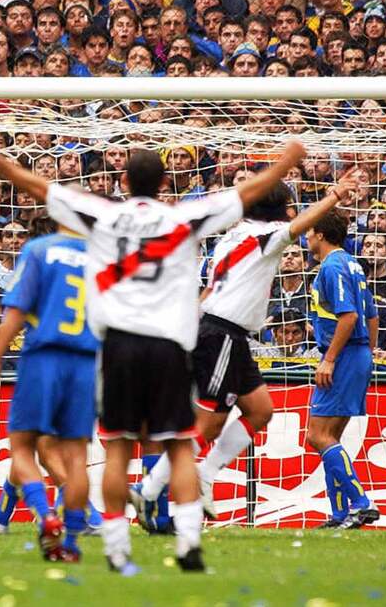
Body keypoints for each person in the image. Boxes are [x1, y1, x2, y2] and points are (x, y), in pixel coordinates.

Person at [0, 139, 306, 574]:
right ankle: (188, 542)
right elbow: (246, 193)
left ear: (124, 181)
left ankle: (115, 548)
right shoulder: (183, 217)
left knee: (117, 450)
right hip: (170, 344)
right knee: (180, 447)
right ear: (165, 182)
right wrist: (286, 161)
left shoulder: (104, 215)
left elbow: (37, 186)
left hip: (118, 346)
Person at [130, 171, 358, 527]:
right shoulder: (264, 236)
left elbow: (212, 285)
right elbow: (299, 226)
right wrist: (334, 195)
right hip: (221, 333)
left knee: (261, 410)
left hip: (228, 335)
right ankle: (149, 489)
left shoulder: (233, 235)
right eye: (287, 206)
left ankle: (204, 476)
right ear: (280, 210)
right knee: (207, 425)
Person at [0, 215, 102, 562]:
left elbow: (16, 310)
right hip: (86, 360)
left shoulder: (40, 251)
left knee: (25, 446)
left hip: (44, 356)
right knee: (75, 456)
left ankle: (48, 517)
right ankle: (67, 539)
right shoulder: (102, 255)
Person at [304, 208, 381, 529]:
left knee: (316, 435)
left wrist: (331, 358)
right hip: (358, 354)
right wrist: (369, 352)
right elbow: (372, 315)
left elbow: (349, 317)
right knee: (330, 435)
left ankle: (361, 502)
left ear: (320, 234)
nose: (306, 236)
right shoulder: (354, 264)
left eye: (309, 231)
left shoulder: (332, 266)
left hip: (344, 355)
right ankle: (339, 514)